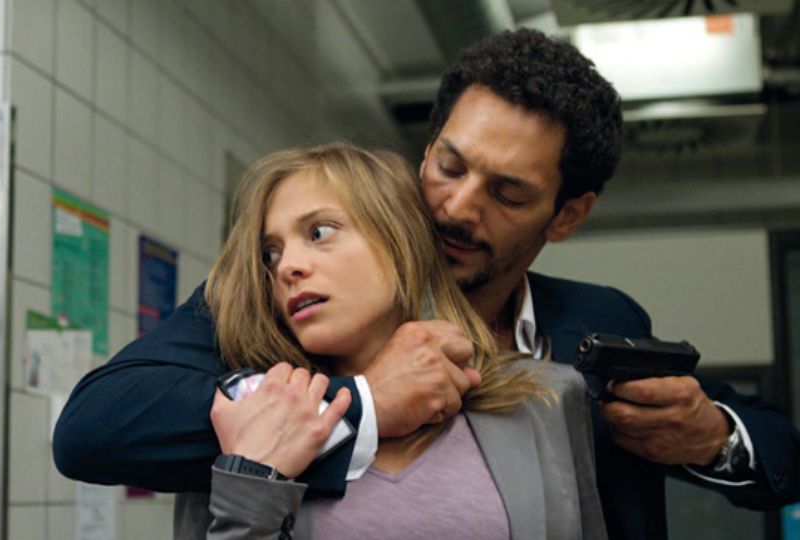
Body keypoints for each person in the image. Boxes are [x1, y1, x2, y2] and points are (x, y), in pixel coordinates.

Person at [53, 29, 800, 539]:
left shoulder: (595, 323)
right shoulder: (280, 309)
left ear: (567, 215)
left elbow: (780, 450)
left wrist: (711, 438)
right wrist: (363, 404)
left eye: (507, 192)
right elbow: (94, 430)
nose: (457, 206)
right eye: (449, 165)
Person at [174, 142, 605, 539]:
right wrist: (253, 481)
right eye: (271, 254)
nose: (287, 267)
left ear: (401, 242)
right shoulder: (244, 418)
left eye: (319, 233)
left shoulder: (547, 399)